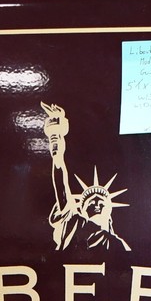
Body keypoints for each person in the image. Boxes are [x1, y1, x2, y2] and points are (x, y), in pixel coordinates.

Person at [41, 102, 131, 253]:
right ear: (82, 210)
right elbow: (60, 181)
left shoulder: (118, 245)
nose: (96, 204)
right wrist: (56, 138)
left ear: (110, 211)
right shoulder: (74, 223)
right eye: (91, 202)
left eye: (101, 202)